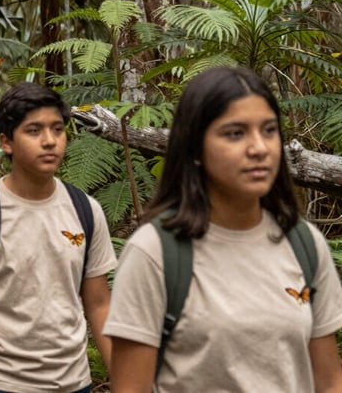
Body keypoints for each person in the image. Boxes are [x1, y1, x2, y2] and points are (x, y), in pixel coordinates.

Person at [104, 66, 342, 392]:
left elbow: (329, 381)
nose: (259, 148)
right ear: (195, 148)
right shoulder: (155, 252)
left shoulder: (304, 244)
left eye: (269, 130)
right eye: (235, 133)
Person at [0, 83, 116, 393]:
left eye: (57, 129)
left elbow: (99, 304)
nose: (49, 140)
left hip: (72, 382)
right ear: (6, 141)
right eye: (34, 131)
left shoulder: (86, 210)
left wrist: (127, 380)